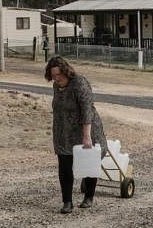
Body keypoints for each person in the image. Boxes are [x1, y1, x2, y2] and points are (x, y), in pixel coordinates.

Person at [45, 56, 108, 214]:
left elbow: (87, 109)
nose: (56, 78)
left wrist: (87, 135)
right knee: (64, 166)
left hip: (85, 128)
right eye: (53, 75)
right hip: (63, 132)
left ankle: (88, 197)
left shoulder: (79, 83)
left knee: (88, 162)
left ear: (66, 71)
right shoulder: (56, 86)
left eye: (59, 74)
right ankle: (67, 202)